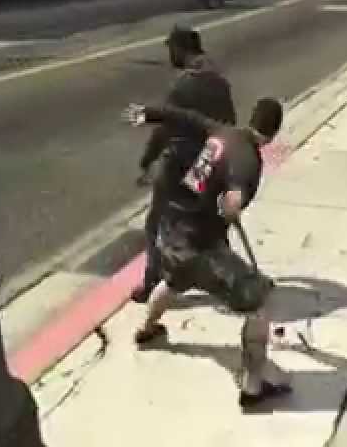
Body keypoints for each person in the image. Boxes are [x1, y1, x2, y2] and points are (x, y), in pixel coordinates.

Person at [123, 97, 290, 409]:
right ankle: (253, 386)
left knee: (175, 279)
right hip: (201, 247)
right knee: (261, 302)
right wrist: (232, 205)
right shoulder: (249, 160)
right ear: (273, 134)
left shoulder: (222, 132)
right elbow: (236, 190)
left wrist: (148, 113)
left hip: (171, 230)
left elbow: (185, 115)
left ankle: (147, 329)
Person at [133, 26, 237, 303]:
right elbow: (229, 123)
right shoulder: (219, 79)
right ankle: (229, 277)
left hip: (180, 161)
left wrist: (147, 160)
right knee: (209, 222)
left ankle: (151, 281)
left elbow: (165, 127)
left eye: (171, 49)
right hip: (209, 161)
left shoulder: (184, 84)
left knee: (157, 222)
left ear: (180, 49)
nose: (170, 55)